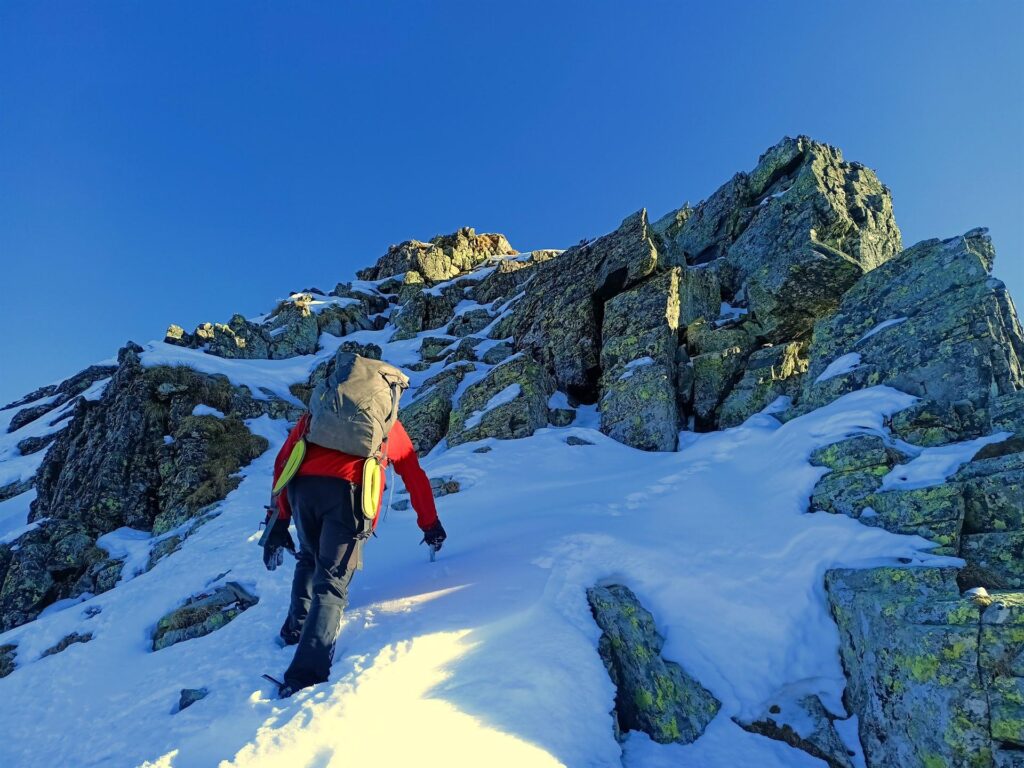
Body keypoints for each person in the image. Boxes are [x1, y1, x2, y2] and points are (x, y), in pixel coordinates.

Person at [261, 411, 446, 697]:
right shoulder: (385, 421)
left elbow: (284, 461)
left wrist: (280, 518)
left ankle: (296, 630)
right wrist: (430, 524)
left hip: (304, 489)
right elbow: (412, 473)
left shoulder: (318, 413)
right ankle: (304, 676)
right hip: (348, 492)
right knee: (332, 582)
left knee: (311, 557)